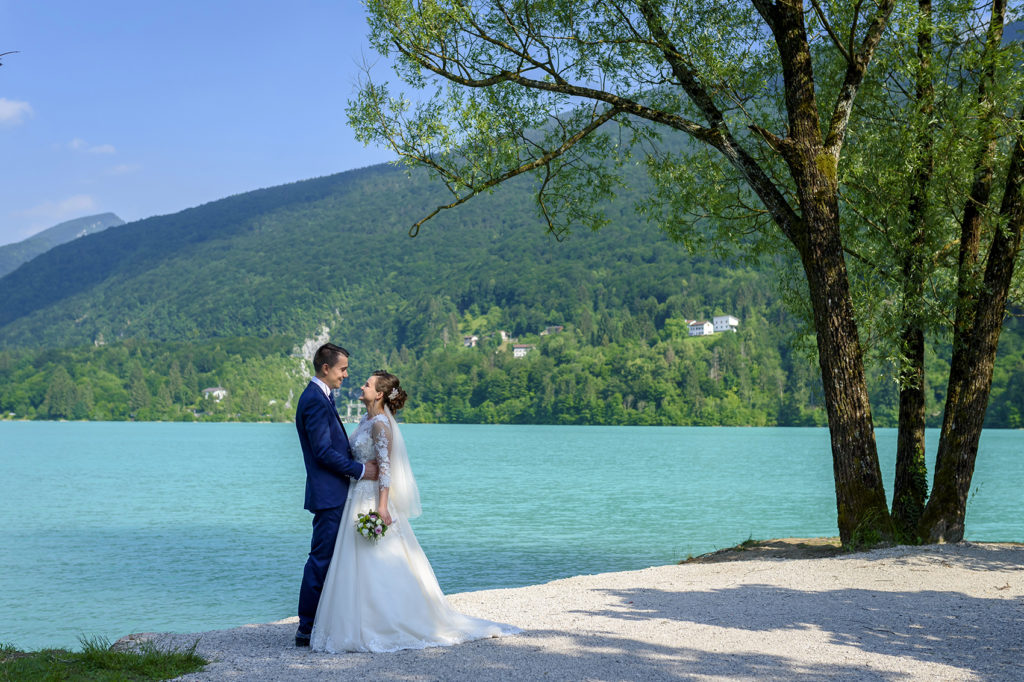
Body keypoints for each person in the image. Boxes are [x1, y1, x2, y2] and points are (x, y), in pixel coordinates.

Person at [310, 370, 519, 653]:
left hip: (372, 499)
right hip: (355, 497)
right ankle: (353, 621)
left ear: (379, 394)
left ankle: (384, 620)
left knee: (376, 559)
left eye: (367, 384)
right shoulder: (365, 420)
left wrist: (381, 507)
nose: (362, 386)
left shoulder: (381, 425)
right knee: (354, 561)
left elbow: (385, 470)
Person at [294, 343, 379, 647]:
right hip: (329, 494)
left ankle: (323, 622)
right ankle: (306, 627)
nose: (346, 375)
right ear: (326, 368)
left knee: (330, 559)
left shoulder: (321, 396)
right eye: (342, 369)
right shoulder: (315, 400)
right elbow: (322, 452)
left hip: (335, 492)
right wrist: (360, 470)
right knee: (321, 560)